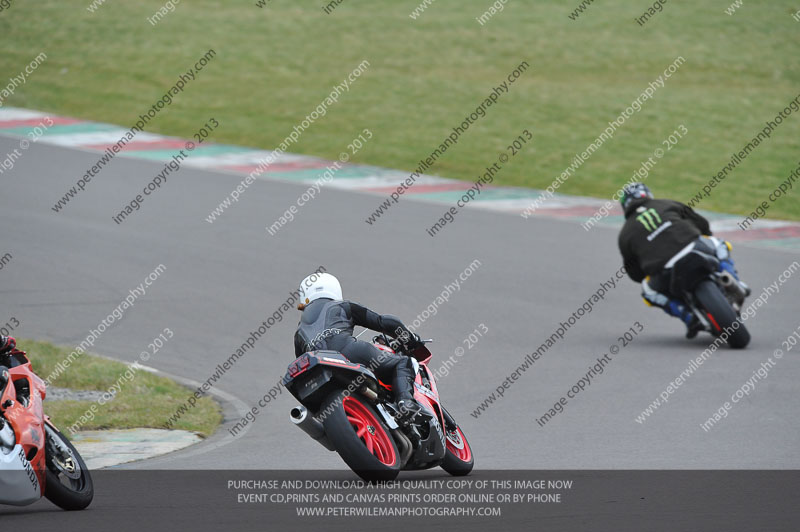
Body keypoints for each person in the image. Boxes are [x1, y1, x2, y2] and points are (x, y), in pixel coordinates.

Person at [617, 183, 746, 338]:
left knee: (648, 290)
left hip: (666, 270)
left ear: (625, 205)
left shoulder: (624, 235)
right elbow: (701, 223)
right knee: (719, 244)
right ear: (647, 194)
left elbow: (635, 273)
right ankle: (732, 279)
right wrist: (704, 234)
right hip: (695, 248)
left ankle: (687, 315)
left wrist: (649, 269)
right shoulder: (666, 203)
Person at [293, 273, 423, 417]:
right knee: (404, 363)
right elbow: (383, 322)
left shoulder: (299, 331)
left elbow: (302, 362)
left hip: (318, 371)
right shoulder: (341, 306)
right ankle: (406, 401)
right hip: (348, 351)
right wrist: (409, 338)